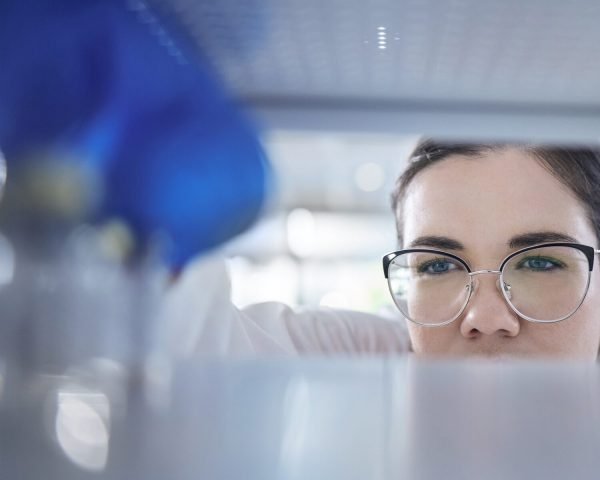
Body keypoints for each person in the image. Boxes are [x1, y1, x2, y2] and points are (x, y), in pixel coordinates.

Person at [161, 139, 600, 360]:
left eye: (540, 262)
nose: (484, 319)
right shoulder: (374, 360)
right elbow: (187, 345)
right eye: (439, 266)